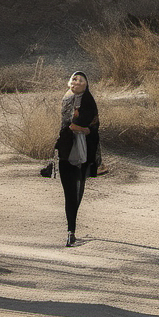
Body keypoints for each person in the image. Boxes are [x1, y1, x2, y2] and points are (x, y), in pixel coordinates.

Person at [55, 71, 99, 247]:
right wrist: (77, 127)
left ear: (86, 85)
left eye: (81, 80)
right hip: (66, 150)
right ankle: (70, 230)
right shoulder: (66, 98)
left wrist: (83, 129)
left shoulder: (89, 101)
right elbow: (66, 125)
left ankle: (71, 229)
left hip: (84, 152)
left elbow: (94, 126)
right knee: (69, 193)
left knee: (78, 190)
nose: (76, 81)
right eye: (74, 78)